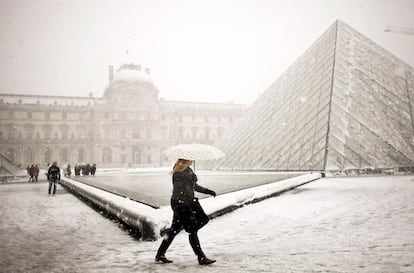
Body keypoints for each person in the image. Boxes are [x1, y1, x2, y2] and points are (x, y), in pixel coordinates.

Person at [155, 159, 217, 265]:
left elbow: (193, 187)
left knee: (175, 230)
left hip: (182, 203)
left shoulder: (187, 170)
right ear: (185, 160)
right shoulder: (179, 172)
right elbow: (179, 191)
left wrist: (207, 191)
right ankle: (201, 257)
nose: (192, 160)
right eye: (190, 159)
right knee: (192, 229)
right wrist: (187, 205)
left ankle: (160, 254)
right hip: (182, 204)